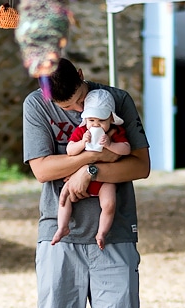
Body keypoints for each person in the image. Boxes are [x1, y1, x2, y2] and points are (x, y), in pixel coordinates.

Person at [22, 58, 154, 308]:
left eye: (78, 102)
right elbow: (43, 170)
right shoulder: (35, 105)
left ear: (81, 75)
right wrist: (87, 164)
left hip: (113, 235)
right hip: (58, 236)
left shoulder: (117, 100)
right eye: (66, 109)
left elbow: (140, 164)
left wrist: (90, 168)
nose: (76, 112)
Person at [55, 88, 130, 249]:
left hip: (105, 178)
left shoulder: (115, 132)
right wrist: (82, 143)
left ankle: (101, 232)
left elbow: (126, 149)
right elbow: (70, 150)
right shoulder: (82, 131)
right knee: (64, 197)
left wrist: (110, 145)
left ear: (111, 119)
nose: (95, 124)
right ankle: (62, 226)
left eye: (101, 121)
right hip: (78, 177)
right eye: (91, 120)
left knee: (109, 204)